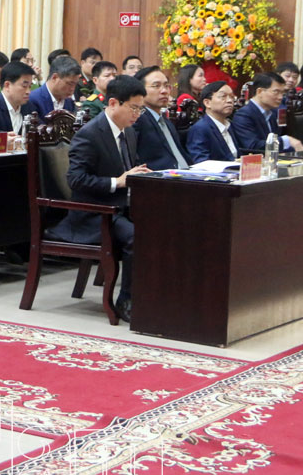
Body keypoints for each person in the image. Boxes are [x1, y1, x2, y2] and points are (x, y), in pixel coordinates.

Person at [53, 75, 151, 322]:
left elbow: (128, 172)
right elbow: (76, 180)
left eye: (141, 109)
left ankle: (153, 295)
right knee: (137, 237)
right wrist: (117, 182)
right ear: (114, 103)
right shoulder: (90, 134)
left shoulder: (129, 132)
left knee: (162, 226)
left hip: (121, 207)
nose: (137, 115)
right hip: (94, 213)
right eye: (134, 108)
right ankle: (126, 300)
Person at [230, 72, 303, 155]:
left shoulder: (272, 113)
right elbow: (252, 146)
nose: (280, 97)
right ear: (259, 92)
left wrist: (300, 150)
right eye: (276, 92)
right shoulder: (244, 115)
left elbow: (278, 148)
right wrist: (286, 140)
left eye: (282, 93)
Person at [132, 67, 191, 171]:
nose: (164, 91)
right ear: (140, 90)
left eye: (166, 86)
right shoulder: (137, 119)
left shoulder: (166, 122)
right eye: (156, 86)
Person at [186, 81, 238, 163]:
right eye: (223, 96)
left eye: (232, 97)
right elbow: (201, 162)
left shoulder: (230, 125)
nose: (229, 101)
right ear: (207, 103)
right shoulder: (200, 129)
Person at [0, 61, 36, 134]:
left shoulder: (29, 107)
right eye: (24, 86)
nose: (28, 91)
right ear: (7, 85)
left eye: (30, 86)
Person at [28, 55, 80, 121]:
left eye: (75, 84)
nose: (72, 89)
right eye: (70, 84)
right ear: (54, 77)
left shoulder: (69, 102)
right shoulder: (33, 100)